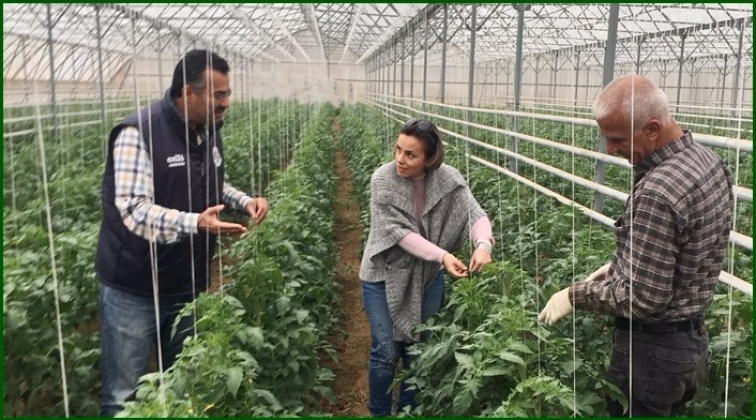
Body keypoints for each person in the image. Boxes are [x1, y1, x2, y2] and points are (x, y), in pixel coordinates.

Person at [538, 74, 733, 417]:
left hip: (653, 354)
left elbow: (645, 298)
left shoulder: (658, 192)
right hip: (690, 346)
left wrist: (574, 295)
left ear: (652, 129)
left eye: (616, 139)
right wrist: (623, 264)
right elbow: (689, 246)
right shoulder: (707, 161)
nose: (609, 149)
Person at [94, 49, 269, 416]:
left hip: (187, 284)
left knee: (184, 383)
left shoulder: (207, 131)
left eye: (227, 93)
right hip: (135, 288)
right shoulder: (137, 133)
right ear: (189, 93)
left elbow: (211, 183)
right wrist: (195, 222)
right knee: (123, 396)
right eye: (218, 95)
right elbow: (134, 211)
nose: (226, 103)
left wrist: (244, 200)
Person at [359, 118, 494, 416]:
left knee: (419, 351)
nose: (400, 159)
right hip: (382, 275)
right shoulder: (383, 179)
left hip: (428, 277)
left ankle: (409, 411)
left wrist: (483, 245)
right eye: (398, 149)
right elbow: (399, 234)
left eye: (411, 154)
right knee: (386, 352)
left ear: (429, 158)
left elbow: (475, 215)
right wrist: (442, 255)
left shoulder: (448, 180)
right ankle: (379, 414)